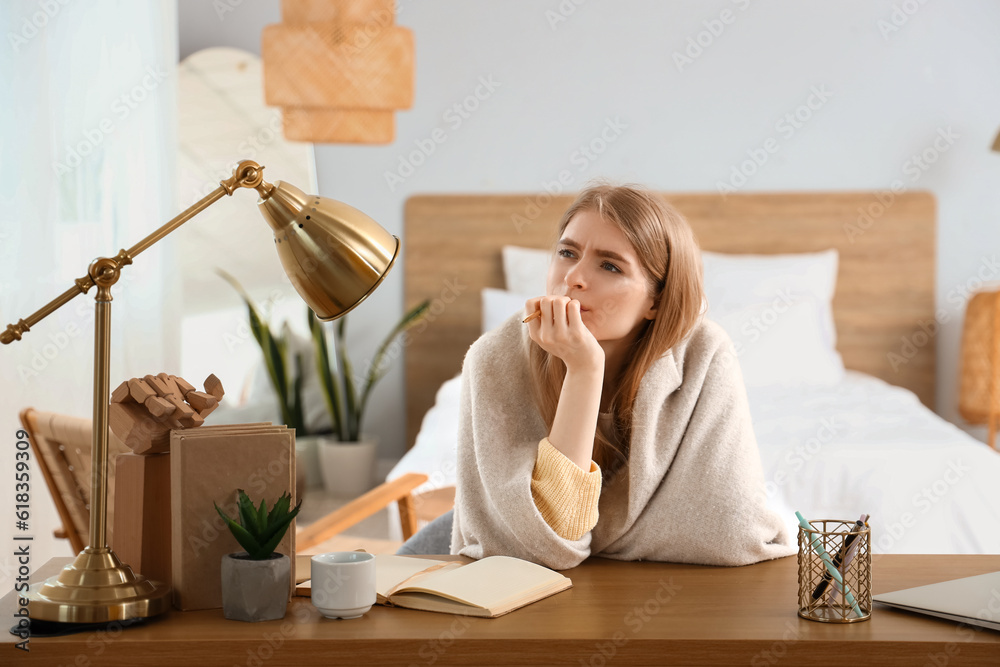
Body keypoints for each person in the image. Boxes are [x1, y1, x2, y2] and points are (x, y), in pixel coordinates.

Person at [400, 183, 795, 570]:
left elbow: (726, 530)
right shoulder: (495, 358)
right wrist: (584, 370)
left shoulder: (703, 353)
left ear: (656, 300)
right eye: (567, 252)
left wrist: (593, 538)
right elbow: (546, 548)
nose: (573, 277)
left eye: (609, 265)